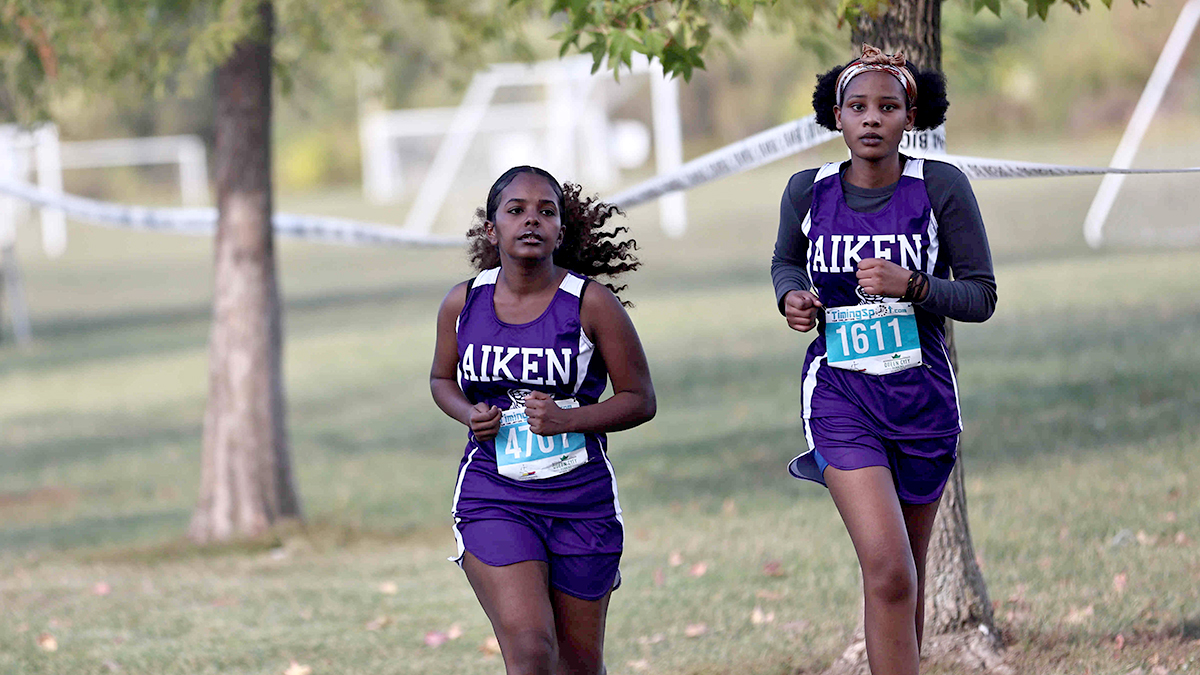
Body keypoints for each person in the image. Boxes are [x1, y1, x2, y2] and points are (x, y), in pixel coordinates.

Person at [771, 45, 997, 675]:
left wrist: (915, 286)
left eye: (887, 107)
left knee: (907, 577)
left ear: (911, 115)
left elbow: (981, 296)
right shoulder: (806, 191)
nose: (872, 119)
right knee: (889, 566)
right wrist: (791, 296)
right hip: (842, 396)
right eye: (858, 106)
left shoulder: (940, 186)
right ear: (836, 117)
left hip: (922, 397)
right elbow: (785, 261)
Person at [430, 165, 655, 675]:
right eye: (515, 211)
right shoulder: (463, 303)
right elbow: (441, 380)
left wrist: (567, 420)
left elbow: (640, 399)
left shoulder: (591, 303)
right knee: (531, 651)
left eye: (545, 212)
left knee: (578, 665)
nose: (531, 220)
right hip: (495, 493)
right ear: (493, 229)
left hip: (582, 500)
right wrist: (470, 414)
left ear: (560, 230)